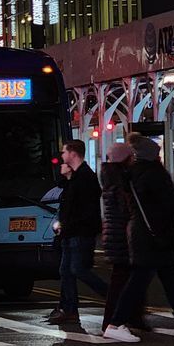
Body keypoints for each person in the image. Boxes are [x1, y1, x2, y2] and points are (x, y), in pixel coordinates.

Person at [103, 135, 174, 342]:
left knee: (168, 281)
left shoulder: (134, 174)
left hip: (146, 235)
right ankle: (115, 323)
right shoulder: (153, 174)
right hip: (154, 236)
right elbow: (173, 205)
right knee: (141, 281)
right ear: (153, 155)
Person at [49, 139, 108, 325]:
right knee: (65, 270)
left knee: (78, 269)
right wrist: (66, 178)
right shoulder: (74, 176)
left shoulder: (85, 177)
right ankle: (69, 309)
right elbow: (64, 193)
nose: (62, 156)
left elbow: (84, 209)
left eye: (64, 152)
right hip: (70, 232)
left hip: (80, 232)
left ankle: (114, 298)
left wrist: (68, 226)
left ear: (73, 154)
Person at [98, 144, 149, 333]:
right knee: (122, 280)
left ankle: (133, 317)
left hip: (115, 235)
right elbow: (126, 211)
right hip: (122, 237)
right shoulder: (121, 183)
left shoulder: (110, 177)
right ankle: (112, 322)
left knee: (132, 278)